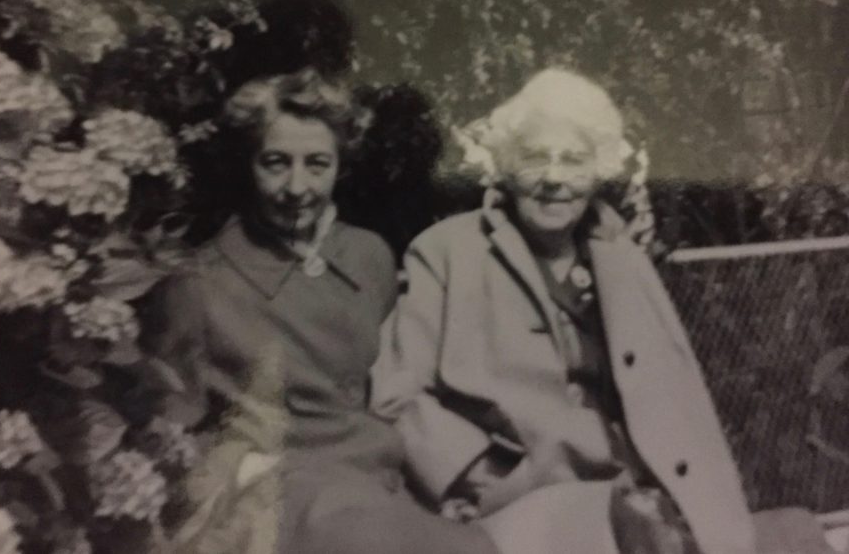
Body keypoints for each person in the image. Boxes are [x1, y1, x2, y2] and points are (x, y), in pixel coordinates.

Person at [370, 67, 821, 554]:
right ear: (505, 165)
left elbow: (676, 395)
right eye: (535, 158)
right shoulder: (447, 252)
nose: (554, 178)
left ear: (598, 170)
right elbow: (395, 395)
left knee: (797, 534)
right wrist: (478, 476)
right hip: (527, 500)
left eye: (574, 160)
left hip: (632, 486)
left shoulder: (619, 255)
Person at [146, 69, 501, 554]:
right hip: (289, 502)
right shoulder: (200, 284)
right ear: (247, 163)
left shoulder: (368, 256)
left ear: (340, 164)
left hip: (381, 479)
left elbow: (402, 387)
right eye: (275, 163)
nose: (297, 187)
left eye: (318, 164)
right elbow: (169, 435)